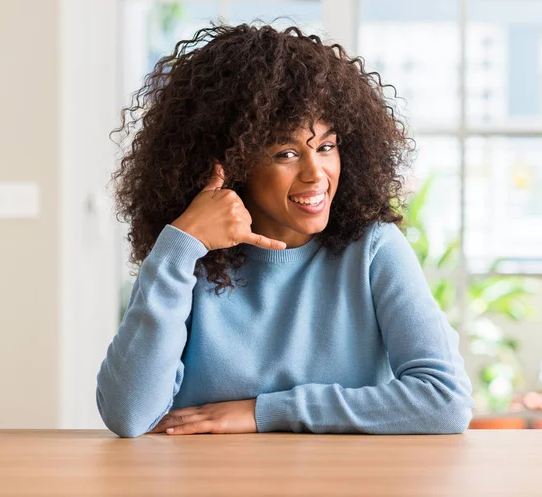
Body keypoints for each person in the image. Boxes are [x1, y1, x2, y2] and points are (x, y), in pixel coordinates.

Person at [96, 22, 475, 438]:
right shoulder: (189, 259)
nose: (317, 173)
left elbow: (445, 400)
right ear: (232, 164)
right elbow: (128, 414)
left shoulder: (373, 249)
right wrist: (179, 245)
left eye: (326, 146)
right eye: (286, 153)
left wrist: (264, 412)